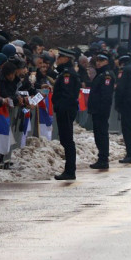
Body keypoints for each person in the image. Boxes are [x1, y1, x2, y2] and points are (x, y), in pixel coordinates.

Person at [52, 48, 83, 178]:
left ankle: (70, 171)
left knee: (67, 140)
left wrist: (60, 107)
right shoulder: (65, 73)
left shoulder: (67, 75)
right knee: (66, 140)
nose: (58, 59)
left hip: (65, 110)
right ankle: (69, 170)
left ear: (66, 59)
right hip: (65, 109)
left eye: (60, 57)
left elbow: (67, 94)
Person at [87, 53, 114, 170]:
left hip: (101, 110)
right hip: (97, 109)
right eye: (97, 60)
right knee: (98, 134)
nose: (98, 62)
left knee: (101, 134)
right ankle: (102, 158)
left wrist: (101, 109)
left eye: (101, 60)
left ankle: (103, 159)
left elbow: (106, 95)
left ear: (107, 61)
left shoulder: (106, 75)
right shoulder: (101, 74)